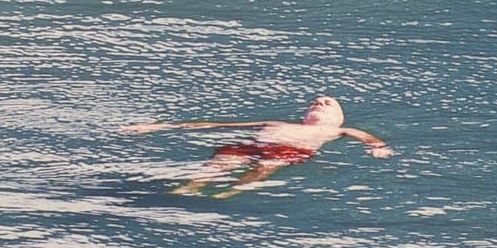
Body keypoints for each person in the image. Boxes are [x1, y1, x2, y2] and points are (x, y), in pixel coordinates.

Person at [122, 94, 393, 197]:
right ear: (303, 115)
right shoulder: (274, 123)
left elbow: (366, 137)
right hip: (251, 145)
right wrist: (157, 127)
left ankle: (228, 193)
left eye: (327, 104)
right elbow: (217, 126)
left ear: (337, 118)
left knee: (263, 170)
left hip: (289, 151)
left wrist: (377, 147)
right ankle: (189, 187)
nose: (319, 104)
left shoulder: (340, 130)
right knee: (221, 163)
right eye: (315, 103)